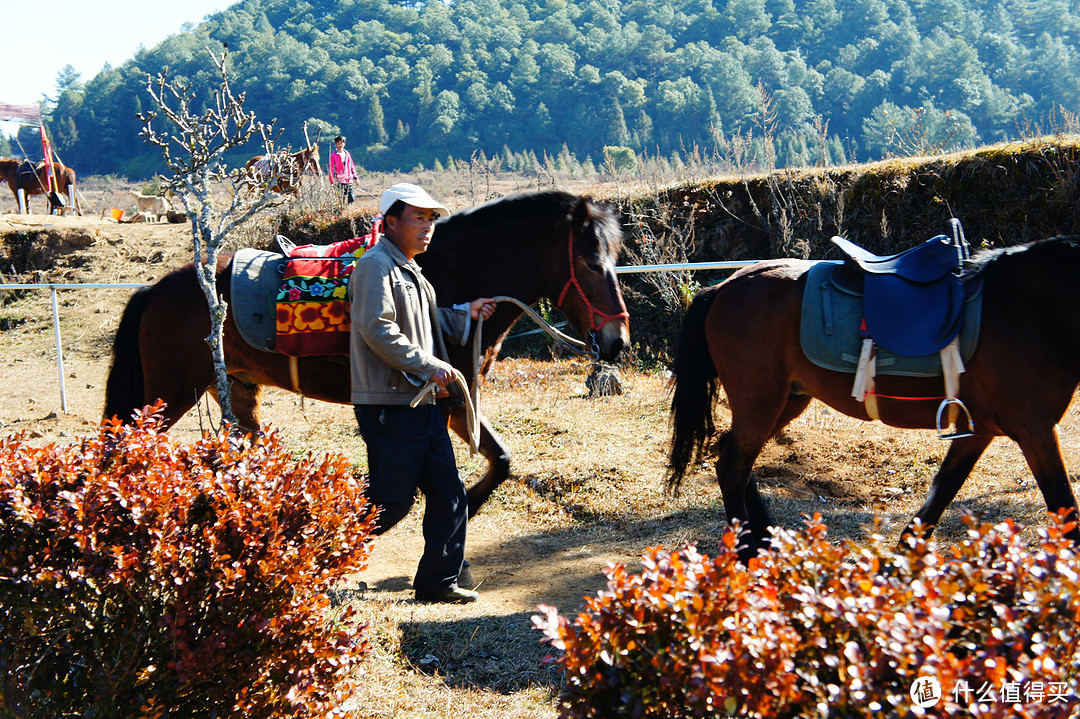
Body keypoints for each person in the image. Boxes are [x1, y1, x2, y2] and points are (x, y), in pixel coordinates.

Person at [349, 182, 496, 604]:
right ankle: (309, 561)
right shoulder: (375, 266)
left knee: (449, 495)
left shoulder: (410, 268)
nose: (428, 226)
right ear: (389, 222)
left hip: (424, 404)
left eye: (432, 218)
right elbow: (378, 328)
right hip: (391, 405)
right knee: (390, 502)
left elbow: (425, 321)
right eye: (419, 217)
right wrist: (432, 365)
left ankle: (437, 581)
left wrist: (463, 313)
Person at [328, 135, 358, 203]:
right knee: (341, 198)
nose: (340, 144)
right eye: (338, 143)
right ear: (336, 144)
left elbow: (352, 166)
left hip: (348, 179)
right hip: (340, 180)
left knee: (351, 198)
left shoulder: (347, 154)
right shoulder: (333, 155)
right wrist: (332, 181)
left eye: (342, 143)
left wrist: (355, 177)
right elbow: (331, 168)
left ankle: (346, 209)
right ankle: (342, 210)